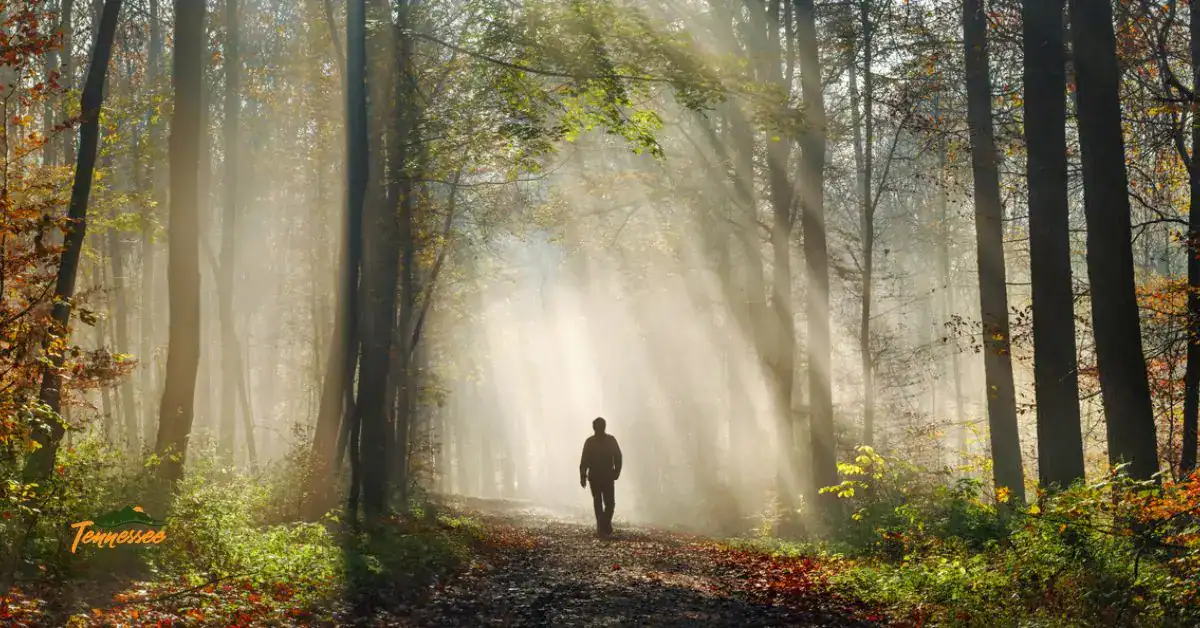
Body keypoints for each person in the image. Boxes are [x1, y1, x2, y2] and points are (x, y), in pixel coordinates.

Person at [579, 417, 622, 537]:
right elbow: (584, 460)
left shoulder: (595, 441)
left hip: (601, 476)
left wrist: (583, 476)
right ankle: (603, 525)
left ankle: (602, 524)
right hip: (603, 476)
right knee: (606, 502)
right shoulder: (607, 440)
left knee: (604, 503)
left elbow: (584, 461)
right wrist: (616, 471)